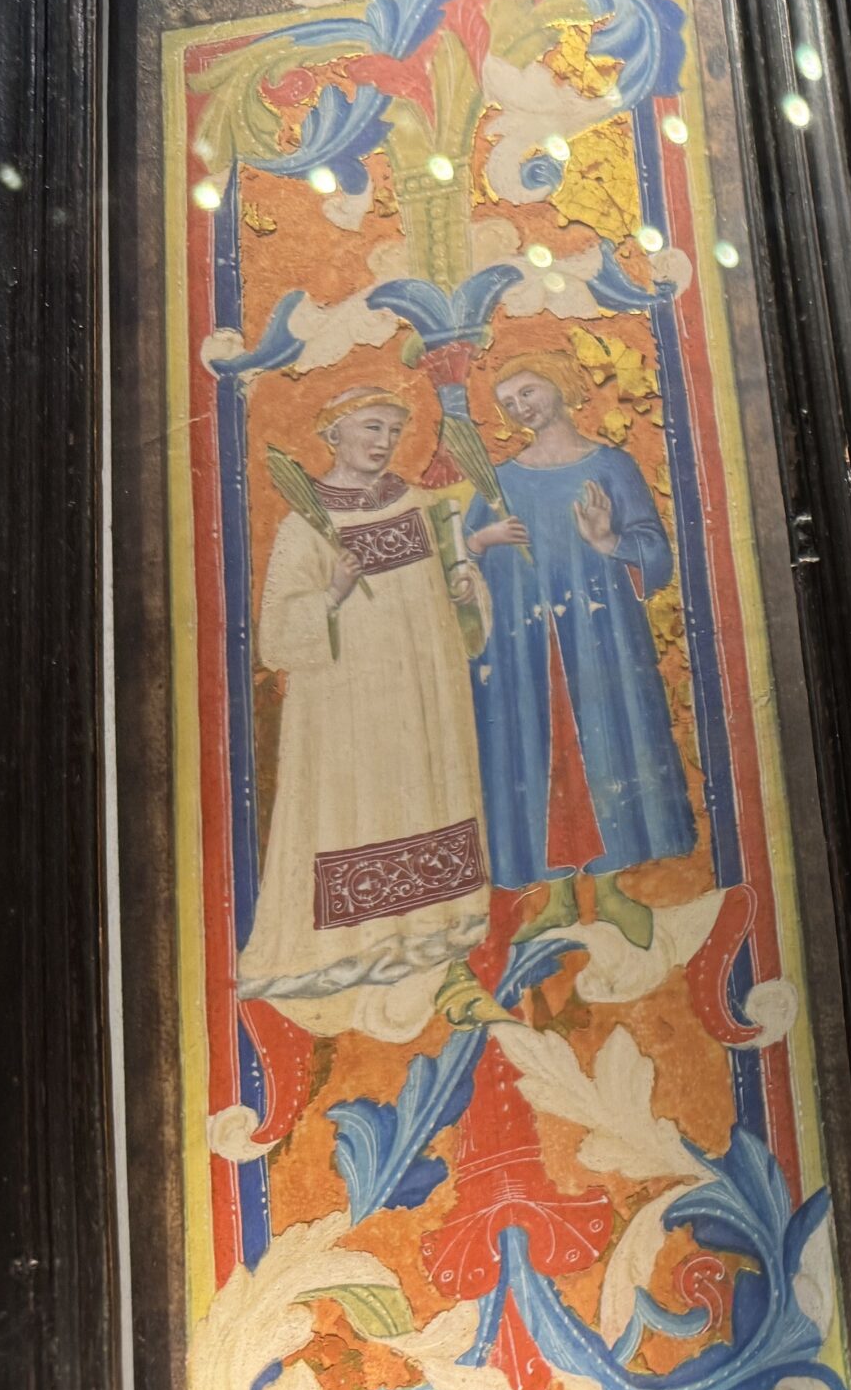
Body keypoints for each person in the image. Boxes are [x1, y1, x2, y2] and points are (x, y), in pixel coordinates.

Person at [239, 385, 490, 1025]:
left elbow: (455, 592)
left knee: (425, 796)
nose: (383, 443)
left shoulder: (419, 507)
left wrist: (466, 588)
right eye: (371, 428)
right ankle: (357, 944)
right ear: (334, 435)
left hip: (423, 699)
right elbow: (277, 637)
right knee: (358, 810)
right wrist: (331, 593)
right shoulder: (304, 526)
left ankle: (434, 928)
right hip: (347, 711)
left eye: (392, 431)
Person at [465, 353, 694, 949]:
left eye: (528, 391)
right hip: (522, 649)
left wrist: (609, 540)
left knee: (605, 745)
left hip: (601, 640)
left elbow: (657, 555)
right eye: (508, 402)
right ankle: (558, 896)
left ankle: (612, 891)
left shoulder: (611, 466)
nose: (520, 407)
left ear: (560, 385)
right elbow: (458, 562)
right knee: (539, 754)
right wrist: (483, 540)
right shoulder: (499, 481)